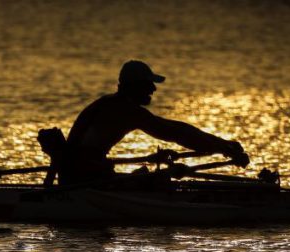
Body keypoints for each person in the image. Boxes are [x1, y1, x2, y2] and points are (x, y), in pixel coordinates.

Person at [59, 60, 248, 185]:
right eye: (148, 84)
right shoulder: (126, 111)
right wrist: (224, 149)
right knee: (160, 182)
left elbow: (178, 127)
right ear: (135, 86)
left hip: (82, 174)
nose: (154, 88)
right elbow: (175, 134)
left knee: (149, 176)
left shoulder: (113, 103)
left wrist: (221, 143)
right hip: (84, 179)